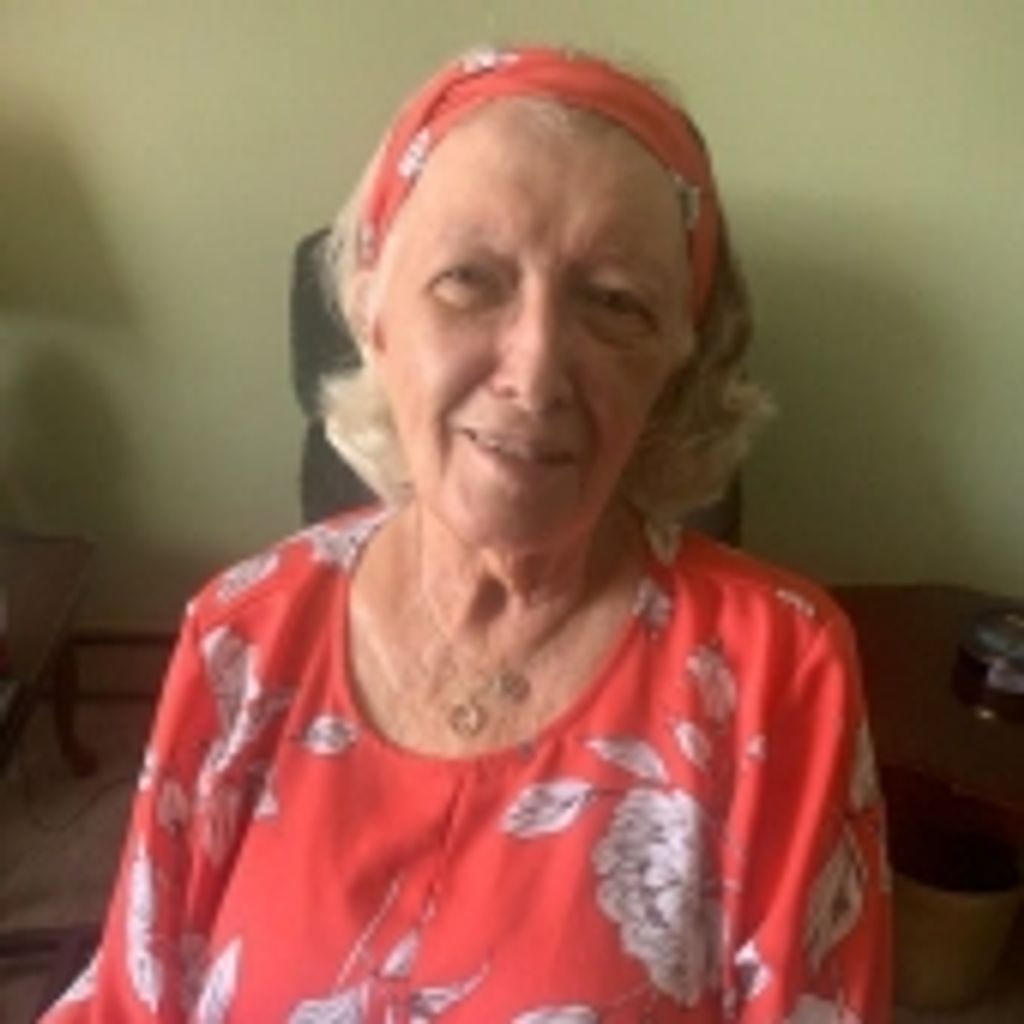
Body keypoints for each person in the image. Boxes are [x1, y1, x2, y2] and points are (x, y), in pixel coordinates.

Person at [42, 45, 890, 1023]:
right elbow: (135, 991)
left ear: (675, 360)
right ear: (372, 304)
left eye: (615, 302)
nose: (534, 371)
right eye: (469, 280)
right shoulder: (241, 630)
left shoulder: (778, 669)